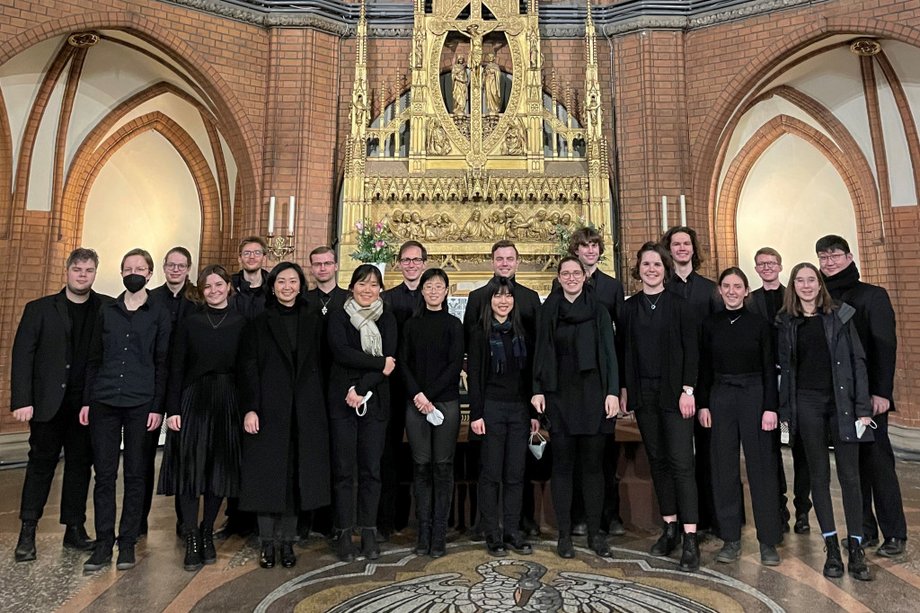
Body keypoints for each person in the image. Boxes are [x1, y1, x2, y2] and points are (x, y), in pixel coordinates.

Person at [11, 248, 112, 562]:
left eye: (89, 270)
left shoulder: (107, 308)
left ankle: (74, 530)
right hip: (47, 404)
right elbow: (22, 356)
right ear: (67, 271)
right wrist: (22, 400)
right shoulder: (39, 309)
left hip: (86, 406)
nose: (82, 275)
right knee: (40, 466)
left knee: (80, 468)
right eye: (77, 269)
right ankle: (27, 532)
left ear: (95, 273)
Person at [776, 262, 873, 581]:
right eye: (799, 281)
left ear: (820, 284)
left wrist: (863, 407)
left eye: (811, 280)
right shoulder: (785, 321)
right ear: (793, 286)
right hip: (807, 403)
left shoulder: (841, 315)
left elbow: (858, 361)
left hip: (841, 403)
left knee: (850, 477)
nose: (806, 285)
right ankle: (831, 547)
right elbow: (785, 370)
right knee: (818, 475)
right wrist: (786, 415)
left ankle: (856, 548)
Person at [816, 235, 907, 557]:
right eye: (823, 257)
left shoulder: (872, 295)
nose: (829, 262)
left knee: (878, 463)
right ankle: (864, 530)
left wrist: (881, 392)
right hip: (837, 397)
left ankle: (894, 533)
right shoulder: (821, 299)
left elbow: (884, 346)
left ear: (849, 256)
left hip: (867, 397)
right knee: (851, 467)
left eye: (835, 255)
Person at [83, 248, 171, 572]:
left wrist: (158, 407)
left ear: (149, 274)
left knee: (135, 474)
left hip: (141, 403)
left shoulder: (159, 312)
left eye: (140, 268)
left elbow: (162, 363)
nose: (134, 273)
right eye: (128, 268)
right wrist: (87, 400)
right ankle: (103, 542)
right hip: (105, 400)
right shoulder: (106, 311)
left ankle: (128, 542)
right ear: (121, 273)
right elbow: (93, 358)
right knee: (104, 475)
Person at [238, 262, 330, 570]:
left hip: (305, 410)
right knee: (267, 475)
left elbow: (324, 365)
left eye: (293, 281)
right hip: (269, 409)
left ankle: (288, 542)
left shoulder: (314, 320)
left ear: (301, 285)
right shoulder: (258, 322)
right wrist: (250, 408)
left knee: (294, 476)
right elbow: (248, 368)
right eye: (281, 281)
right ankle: (267, 542)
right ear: (273, 286)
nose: (287, 287)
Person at [158, 265, 246, 571]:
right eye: (207, 286)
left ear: (228, 286)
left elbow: (247, 368)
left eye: (219, 284)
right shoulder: (190, 322)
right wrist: (173, 409)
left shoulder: (241, 322)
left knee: (218, 470)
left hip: (228, 399)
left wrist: (248, 407)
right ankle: (191, 536)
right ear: (201, 290)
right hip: (193, 399)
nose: (214, 290)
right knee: (190, 470)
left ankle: (208, 530)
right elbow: (176, 368)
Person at [620, 242, 700, 572]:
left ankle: (690, 537)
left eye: (656, 264)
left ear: (666, 269)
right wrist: (625, 390)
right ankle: (669, 527)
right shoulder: (629, 308)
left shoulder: (681, 305)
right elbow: (624, 351)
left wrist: (688, 390)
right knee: (659, 461)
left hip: (675, 394)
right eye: (646, 264)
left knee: (682, 463)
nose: (651, 269)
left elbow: (692, 350)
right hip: (644, 395)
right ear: (637, 270)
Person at [532, 256, 619, 560]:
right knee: (563, 467)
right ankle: (565, 535)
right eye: (565, 273)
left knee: (593, 469)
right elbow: (539, 351)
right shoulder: (549, 310)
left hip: (593, 395)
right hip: (559, 395)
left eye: (575, 273)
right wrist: (537, 389)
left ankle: (595, 534)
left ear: (584, 276)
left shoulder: (598, 310)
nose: (571, 278)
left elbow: (609, 353)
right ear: (558, 278)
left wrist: (612, 392)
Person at [698, 267, 782, 566]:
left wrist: (770, 407)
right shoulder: (710, 324)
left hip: (754, 395)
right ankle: (731, 538)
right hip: (721, 395)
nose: (732, 291)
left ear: (746, 291)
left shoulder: (760, 324)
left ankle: (768, 540)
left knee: (762, 468)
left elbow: (770, 368)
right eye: (726, 286)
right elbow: (704, 368)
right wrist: (704, 405)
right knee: (724, 469)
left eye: (737, 286)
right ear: (719, 290)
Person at [463, 240, 541, 538]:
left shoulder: (529, 301)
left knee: (516, 472)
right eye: (500, 258)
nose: (505, 263)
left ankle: (516, 525)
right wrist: (477, 412)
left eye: (510, 258)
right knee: (490, 471)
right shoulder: (477, 300)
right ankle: (488, 527)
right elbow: (473, 362)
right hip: (491, 406)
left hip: (519, 405)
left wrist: (534, 411)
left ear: (517, 262)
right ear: (492, 261)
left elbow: (534, 361)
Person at [327, 264, 398, 562]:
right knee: (344, 470)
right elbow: (341, 352)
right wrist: (378, 363)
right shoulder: (338, 315)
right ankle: (344, 532)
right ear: (352, 286)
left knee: (371, 469)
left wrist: (362, 388)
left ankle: (369, 530)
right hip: (342, 399)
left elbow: (391, 361)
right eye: (362, 284)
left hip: (374, 399)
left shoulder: (387, 317)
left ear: (380, 289)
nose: (367, 290)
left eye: (373, 285)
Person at [566, 226, 627, 538]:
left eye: (594, 246)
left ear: (600, 251)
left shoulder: (611, 287)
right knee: (579, 453)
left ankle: (610, 515)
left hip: (603, 379)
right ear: (576, 250)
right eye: (584, 246)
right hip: (575, 382)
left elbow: (620, 337)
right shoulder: (565, 283)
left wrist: (618, 387)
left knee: (605, 453)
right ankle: (579, 515)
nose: (590, 250)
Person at [399, 268, 464, 557]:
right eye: (429, 286)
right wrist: (418, 395)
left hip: (445, 403)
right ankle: (423, 531)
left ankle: (439, 533)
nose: (434, 291)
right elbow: (403, 363)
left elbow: (454, 365)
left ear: (446, 291)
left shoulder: (453, 324)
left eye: (439, 286)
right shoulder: (411, 325)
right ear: (422, 291)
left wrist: (430, 396)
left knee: (442, 466)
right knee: (421, 466)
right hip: (416, 404)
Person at [661, 226, 721, 537]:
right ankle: (685, 517)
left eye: (687, 243)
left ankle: (710, 517)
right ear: (668, 249)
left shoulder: (710, 289)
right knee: (680, 456)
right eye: (676, 244)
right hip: (674, 381)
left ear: (693, 249)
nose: (682, 248)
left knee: (709, 450)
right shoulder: (662, 288)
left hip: (706, 378)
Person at [748, 247, 812, 536]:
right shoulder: (751, 301)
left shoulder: (794, 296)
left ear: (780, 266)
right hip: (765, 379)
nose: (767, 267)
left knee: (801, 448)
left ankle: (802, 510)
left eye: (771, 263)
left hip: (794, 379)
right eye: (762, 264)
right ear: (756, 269)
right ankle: (779, 509)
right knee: (771, 448)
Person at [145, 246, 198, 538]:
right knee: (143, 457)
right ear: (164, 267)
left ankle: (184, 521)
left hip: (184, 384)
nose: (176, 270)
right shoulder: (151, 298)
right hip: (153, 382)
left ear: (188, 268)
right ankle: (138, 520)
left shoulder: (197, 298)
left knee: (182, 455)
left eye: (181, 265)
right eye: (171, 265)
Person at [378, 241, 427, 540]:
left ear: (424, 263)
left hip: (424, 387)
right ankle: (390, 519)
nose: (411, 265)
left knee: (423, 454)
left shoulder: (432, 294)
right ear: (398, 264)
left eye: (416, 260)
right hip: (394, 385)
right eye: (406, 260)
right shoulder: (388, 299)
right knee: (390, 453)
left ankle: (425, 520)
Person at [301, 245, 348, 540]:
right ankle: (308, 517)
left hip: (341, 385)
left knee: (338, 454)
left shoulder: (348, 299)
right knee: (311, 452)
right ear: (311, 268)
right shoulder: (303, 300)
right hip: (309, 385)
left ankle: (335, 519)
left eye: (327, 263)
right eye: (317, 264)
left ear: (335, 265)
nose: (322, 268)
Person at [231, 236, 269, 321]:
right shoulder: (230, 285)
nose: (252, 257)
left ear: (264, 258)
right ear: (240, 259)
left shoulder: (273, 285)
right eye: (247, 253)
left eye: (257, 253)